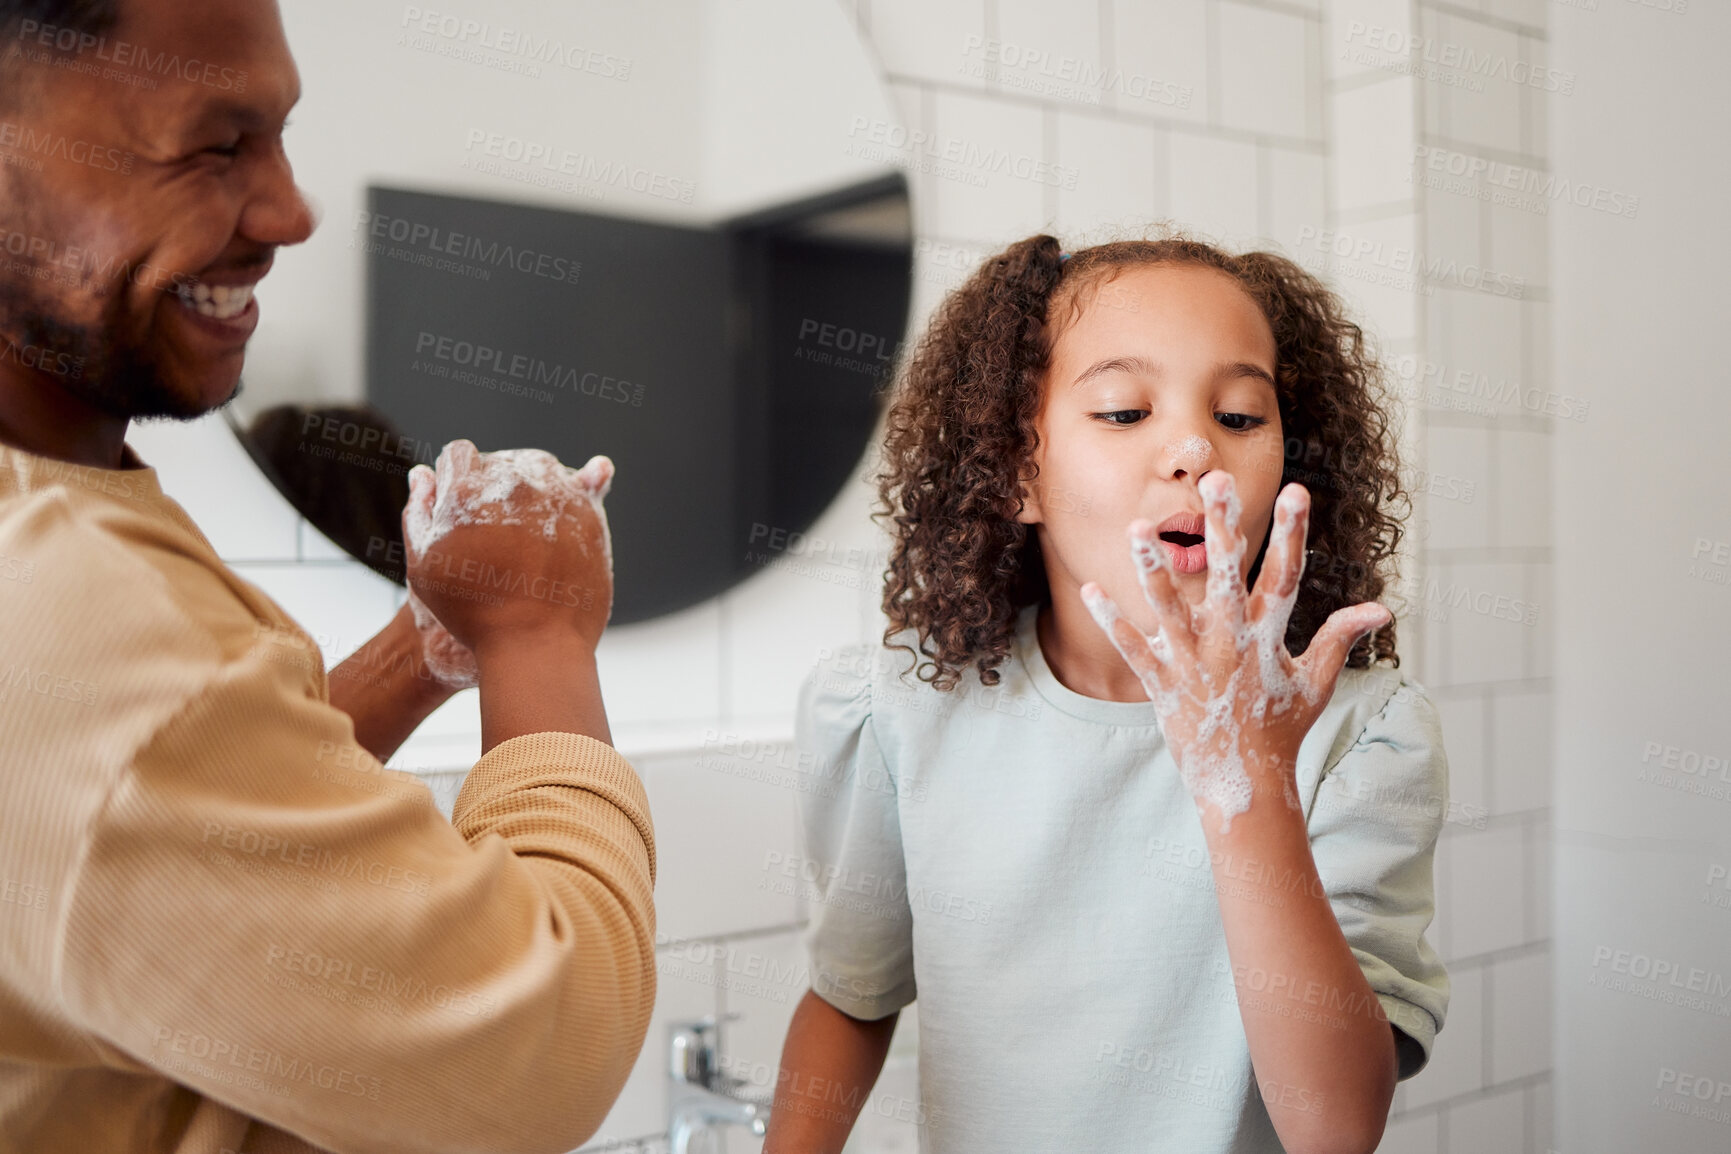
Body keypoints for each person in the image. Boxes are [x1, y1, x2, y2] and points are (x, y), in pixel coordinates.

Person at [0, 2, 654, 1152]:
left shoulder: (59, 518)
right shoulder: (61, 604)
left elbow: (198, 820)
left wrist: (426, 646)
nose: (291, 211)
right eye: (214, 145)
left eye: (279, 134)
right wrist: (536, 634)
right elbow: (550, 1040)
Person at [764, 234, 1450, 1154]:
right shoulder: (900, 710)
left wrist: (1243, 783)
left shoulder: (1361, 731)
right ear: (1015, 469)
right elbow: (852, 996)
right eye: (1125, 411)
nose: (1194, 448)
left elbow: (1335, 1126)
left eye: (1242, 416)